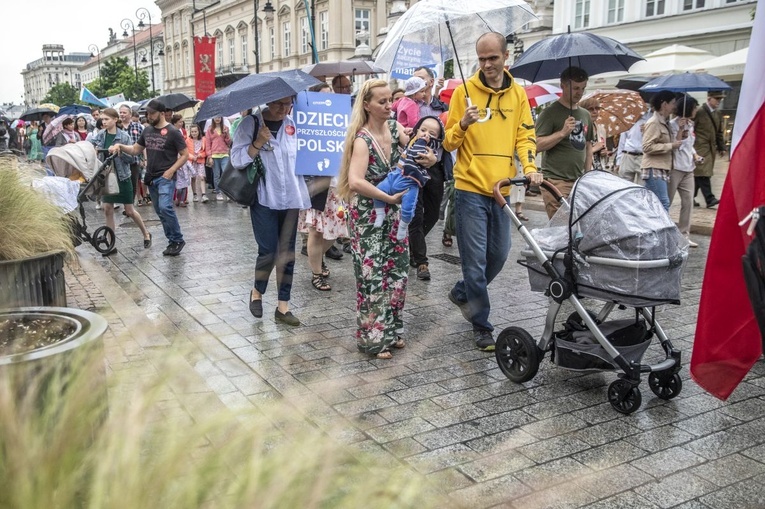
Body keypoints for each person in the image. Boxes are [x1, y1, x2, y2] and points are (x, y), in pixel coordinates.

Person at [443, 32, 541, 351]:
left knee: (497, 256)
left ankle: (462, 293)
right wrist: (464, 124)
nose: (487, 64)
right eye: (482, 59)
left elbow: (525, 136)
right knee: (474, 263)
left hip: (501, 190)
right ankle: (482, 325)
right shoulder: (464, 92)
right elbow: (448, 143)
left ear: (505, 56)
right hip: (469, 188)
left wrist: (529, 168)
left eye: (492, 58)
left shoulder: (518, 95)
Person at [337, 79, 422, 359]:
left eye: (390, 101)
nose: (389, 106)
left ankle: (392, 329)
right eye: (382, 102)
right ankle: (373, 339)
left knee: (397, 271)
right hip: (367, 214)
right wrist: (388, 198)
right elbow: (355, 182)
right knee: (372, 276)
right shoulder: (362, 140)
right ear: (367, 105)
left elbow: (414, 155)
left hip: (394, 212)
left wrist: (428, 157)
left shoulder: (396, 128)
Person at [231, 96, 310, 326]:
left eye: (288, 104)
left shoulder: (294, 123)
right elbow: (237, 160)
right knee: (268, 251)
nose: (283, 109)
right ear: (268, 102)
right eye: (278, 104)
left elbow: (307, 154)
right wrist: (257, 143)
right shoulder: (251, 124)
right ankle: (257, 291)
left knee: (287, 253)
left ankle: (283, 307)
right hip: (265, 196)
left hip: (292, 197)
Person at [108, 99, 189, 256]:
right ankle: (172, 241)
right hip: (151, 178)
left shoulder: (172, 132)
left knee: (166, 207)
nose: (149, 116)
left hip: (166, 177)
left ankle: (178, 239)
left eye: (152, 113)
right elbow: (135, 150)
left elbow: (185, 155)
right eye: (147, 114)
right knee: (160, 211)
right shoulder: (147, 131)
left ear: (162, 113)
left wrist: (171, 170)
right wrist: (121, 146)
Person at [535, 66, 595, 219]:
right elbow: (535, 145)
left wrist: (586, 177)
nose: (579, 93)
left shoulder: (585, 114)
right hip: (555, 181)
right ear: (563, 86)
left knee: (576, 229)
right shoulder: (549, 113)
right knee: (561, 230)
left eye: (583, 88)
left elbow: (588, 147)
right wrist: (562, 133)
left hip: (578, 182)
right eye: (575, 88)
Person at [91, 108, 152, 254]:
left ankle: (146, 234)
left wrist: (120, 153)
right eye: (102, 119)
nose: (104, 122)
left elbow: (132, 159)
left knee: (129, 211)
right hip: (107, 177)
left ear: (115, 120)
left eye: (106, 119)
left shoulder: (123, 137)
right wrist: (93, 150)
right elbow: (91, 147)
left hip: (122, 177)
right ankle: (111, 243)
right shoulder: (100, 135)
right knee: (108, 209)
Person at [373, 116, 442, 241]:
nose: (426, 134)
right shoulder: (412, 139)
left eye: (432, 134)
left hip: (410, 182)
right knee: (379, 190)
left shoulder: (428, 149)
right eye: (423, 130)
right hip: (396, 174)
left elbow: (418, 153)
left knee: (408, 208)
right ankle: (380, 214)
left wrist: (425, 145)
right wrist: (412, 132)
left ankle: (403, 227)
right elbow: (410, 136)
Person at [669, 94, 701, 248]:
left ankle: (684, 235)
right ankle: (665, 233)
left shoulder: (691, 124)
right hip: (675, 168)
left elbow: (689, 145)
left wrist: (695, 155)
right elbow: (675, 145)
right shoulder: (673, 124)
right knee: (666, 201)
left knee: (688, 202)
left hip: (688, 168)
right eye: (694, 107)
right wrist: (680, 129)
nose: (696, 110)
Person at [641, 90, 682, 211]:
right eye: (672, 103)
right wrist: (670, 146)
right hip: (654, 168)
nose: (674, 106)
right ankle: (664, 230)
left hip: (661, 168)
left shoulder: (664, 122)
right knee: (663, 203)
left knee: (653, 206)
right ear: (664, 104)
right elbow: (647, 147)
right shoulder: (654, 122)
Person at [693, 90, 726, 209]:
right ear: (709, 99)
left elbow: (719, 132)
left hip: (710, 147)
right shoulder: (699, 112)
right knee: (703, 172)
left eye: (720, 99)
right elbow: (692, 128)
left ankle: (691, 196)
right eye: (716, 99)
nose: (719, 101)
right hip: (699, 147)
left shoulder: (718, 114)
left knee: (700, 173)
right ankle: (709, 198)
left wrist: (721, 147)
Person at [119, 104, 144, 206]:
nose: (122, 114)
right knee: (123, 183)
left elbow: (143, 144)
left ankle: (130, 205)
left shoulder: (138, 126)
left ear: (130, 114)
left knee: (133, 183)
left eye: (124, 112)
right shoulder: (117, 127)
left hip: (135, 160)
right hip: (120, 160)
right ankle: (126, 204)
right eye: (120, 112)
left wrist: (144, 159)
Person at [205, 116, 232, 201]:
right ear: (213, 119)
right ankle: (218, 191)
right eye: (216, 117)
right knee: (216, 175)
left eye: (219, 117)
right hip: (214, 155)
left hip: (224, 153)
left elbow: (229, 142)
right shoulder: (210, 130)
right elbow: (208, 144)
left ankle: (227, 192)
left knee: (225, 173)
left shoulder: (225, 128)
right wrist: (209, 156)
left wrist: (226, 133)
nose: (217, 119)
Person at [578, 97, 608, 171]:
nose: (595, 111)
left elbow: (604, 159)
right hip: (584, 171)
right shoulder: (578, 129)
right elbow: (576, 155)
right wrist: (594, 149)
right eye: (591, 109)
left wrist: (604, 153)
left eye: (597, 108)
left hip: (599, 171)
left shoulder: (601, 129)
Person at [185, 124, 209, 203]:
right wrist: (192, 157)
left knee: (202, 177)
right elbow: (186, 152)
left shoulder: (203, 139)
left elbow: (205, 151)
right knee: (193, 177)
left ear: (199, 131)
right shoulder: (187, 140)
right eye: (192, 132)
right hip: (191, 161)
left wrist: (200, 155)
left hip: (200, 160)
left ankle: (203, 194)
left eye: (195, 131)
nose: (194, 133)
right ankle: (195, 194)